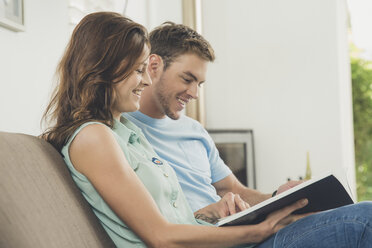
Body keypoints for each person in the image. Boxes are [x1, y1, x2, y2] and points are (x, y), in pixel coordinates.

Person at [41, 12, 317, 248]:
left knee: (350, 217)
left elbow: (168, 218)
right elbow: (161, 237)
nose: (147, 80)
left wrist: (211, 213)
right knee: (359, 219)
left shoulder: (124, 131)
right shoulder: (94, 137)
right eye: (139, 70)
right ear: (105, 69)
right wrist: (260, 230)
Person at [123, 22, 372, 247]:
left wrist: (275, 197)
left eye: (199, 83)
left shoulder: (193, 130)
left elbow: (231, 188)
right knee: (365, 220)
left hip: (245, 235)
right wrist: (207, 212)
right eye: (187, 79)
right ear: (153, 66)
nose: (194, 93)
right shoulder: (123, 133)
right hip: (217, 239)